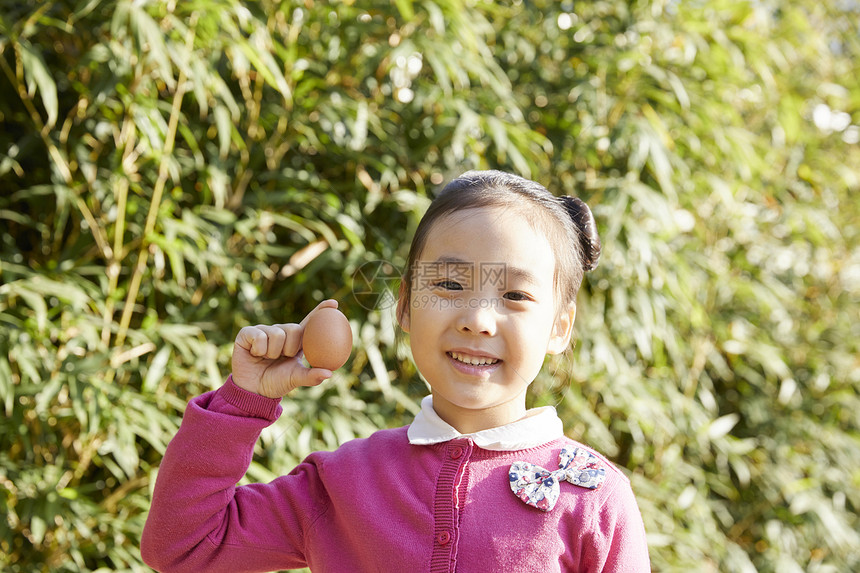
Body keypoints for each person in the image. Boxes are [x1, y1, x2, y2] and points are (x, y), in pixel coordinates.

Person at [140, 170, 651, 572]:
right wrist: (244, 399)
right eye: (450, 285)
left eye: (515, 295)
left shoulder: (595, 500)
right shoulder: (342, 483)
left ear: (560, 327)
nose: (477, 320)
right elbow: (184, 547)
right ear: (405, 306)